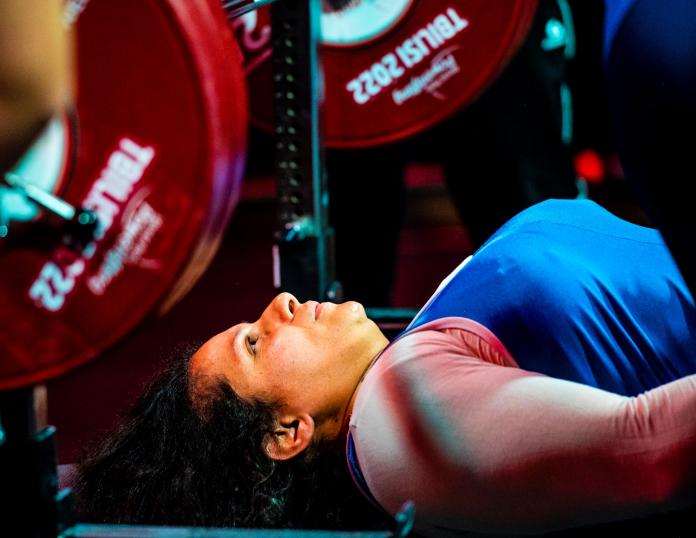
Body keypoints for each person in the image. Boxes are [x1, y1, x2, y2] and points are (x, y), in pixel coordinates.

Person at [76, 199, 696, 535]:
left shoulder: (397, 372)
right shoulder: (393, 424)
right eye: (256, 345)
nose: (278, 305)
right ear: (286, 433)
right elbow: (653, 450)